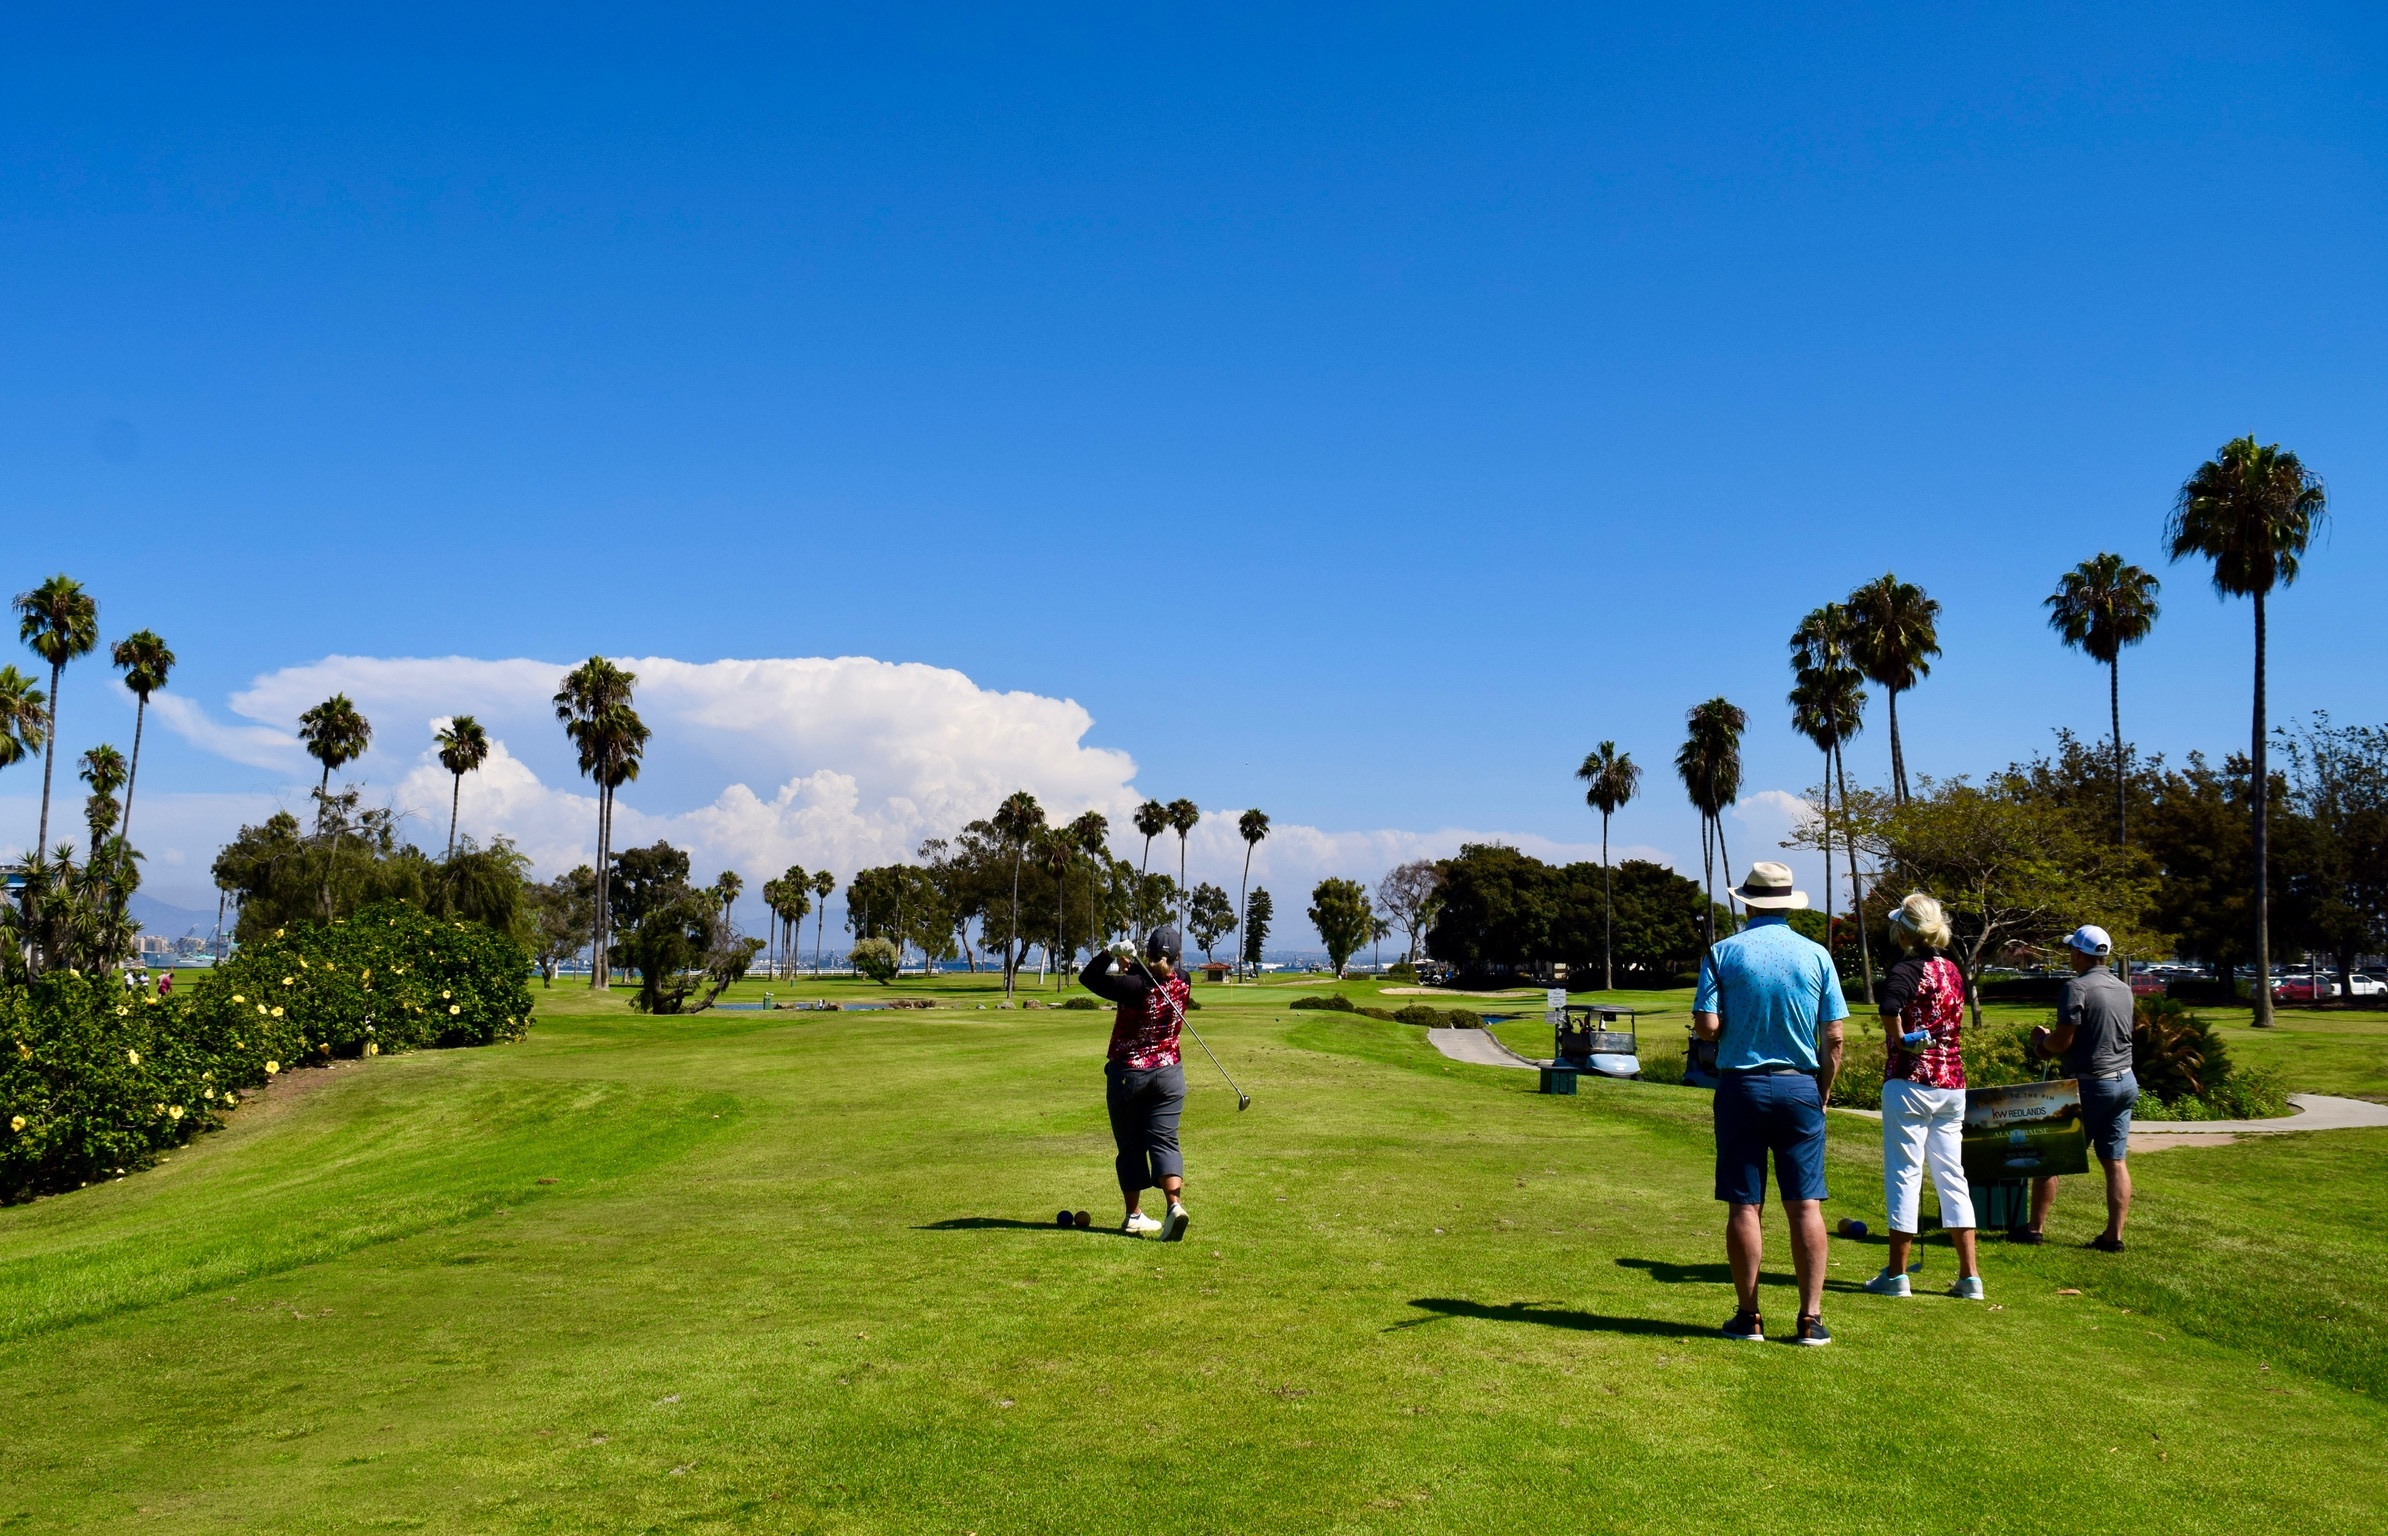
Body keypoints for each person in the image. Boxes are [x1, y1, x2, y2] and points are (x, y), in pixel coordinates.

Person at [1691, 861, 1848, 1346]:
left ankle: (1749, 1316)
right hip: (1800, 1087)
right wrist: (1823, 1091)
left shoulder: (1722, 952)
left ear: (1749, 904)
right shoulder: (1816, 954)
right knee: (1805, 1204)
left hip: (1742, 1087)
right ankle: (1810, 1319)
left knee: (1745, 1204)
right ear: (1788, 905)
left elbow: (1707, 1028)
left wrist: (1728, 1024)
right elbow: (1834, 1036)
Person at [1863, 893, 1984, 1301]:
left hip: (1911, 1080)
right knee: (1953, 1176)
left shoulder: (1907, 968)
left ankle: (1897, 1274)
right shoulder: (1951, 969)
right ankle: (1970, 1277)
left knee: (1905, 1174)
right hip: (1952, 1083)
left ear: (1903, 932)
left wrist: (1900, 1039)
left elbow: (1889, 1006)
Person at [2020, 924, 2135, 1252]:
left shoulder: (2076, 988)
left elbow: (2062, 1041)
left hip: (2091, 1083)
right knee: (2115, 1161)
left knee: (2052, 1158)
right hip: (2125, 1080)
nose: (2070, 954)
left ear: (2080, 953)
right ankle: (2113, 1237)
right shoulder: (2123, 988)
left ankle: (2034, 1230)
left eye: (2072, 949)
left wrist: (2041, 1042)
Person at [1080, 926, 1194, 1241]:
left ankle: (1134, 1215)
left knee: (1130, 1145)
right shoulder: (1184, 980)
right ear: (1177, 956)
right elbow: (1159, 975)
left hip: (1128, 1075)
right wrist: (1134, 967)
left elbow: (1089, 978)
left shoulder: (1133, 986)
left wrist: (1111, 952)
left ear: (1147, 953)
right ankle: (1174, 1207)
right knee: (1165, 1141)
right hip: (1169, 1074)